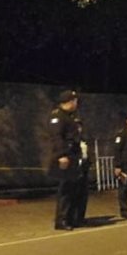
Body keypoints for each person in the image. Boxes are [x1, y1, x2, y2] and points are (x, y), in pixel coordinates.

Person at [49, 89, 86, 230]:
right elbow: (56, 137)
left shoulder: (69, 116)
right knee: (65, 190)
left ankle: (71, 218)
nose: (76, 103)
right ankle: (61, 220)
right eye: (75, 101)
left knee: (73, 189)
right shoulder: (58, 117)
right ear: (70, 101)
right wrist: (61, 155)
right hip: (65, 156)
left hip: (73, 156)